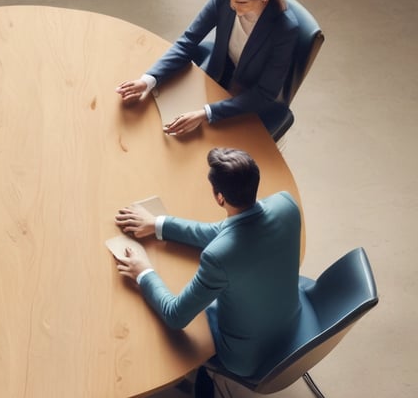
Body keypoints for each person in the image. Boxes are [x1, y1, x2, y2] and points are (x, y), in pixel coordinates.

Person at [113, 148, 301, 385]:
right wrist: (159, 225)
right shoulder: (285, 203)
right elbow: (229, 231)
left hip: (247, 357)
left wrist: (144, 272)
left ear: (219, 197)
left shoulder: (217, 257)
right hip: (292, 322)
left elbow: (176, 316)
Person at [115, 0, 299, 137]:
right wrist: (148, 80)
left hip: (246, 96)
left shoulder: (284, 29)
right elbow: (189, 40)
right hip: (216, 75)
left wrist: (206, 113)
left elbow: (264, 94)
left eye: (241, 2)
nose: (232, 6)